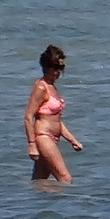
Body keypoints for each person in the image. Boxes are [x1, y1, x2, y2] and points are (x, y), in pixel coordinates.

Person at [25, 45, 83, 183]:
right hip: (43, 137)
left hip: (53, 138)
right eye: (55, 68)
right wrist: (32, 144)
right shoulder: (41, 87)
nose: (58, 72)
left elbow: (56, 120)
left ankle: (29, 202)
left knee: (39, 181)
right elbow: (28, 116)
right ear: (46, 67)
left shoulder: (52, 87)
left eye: (61, 68)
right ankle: (67, 204)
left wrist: (72, 140)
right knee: (65, 179)